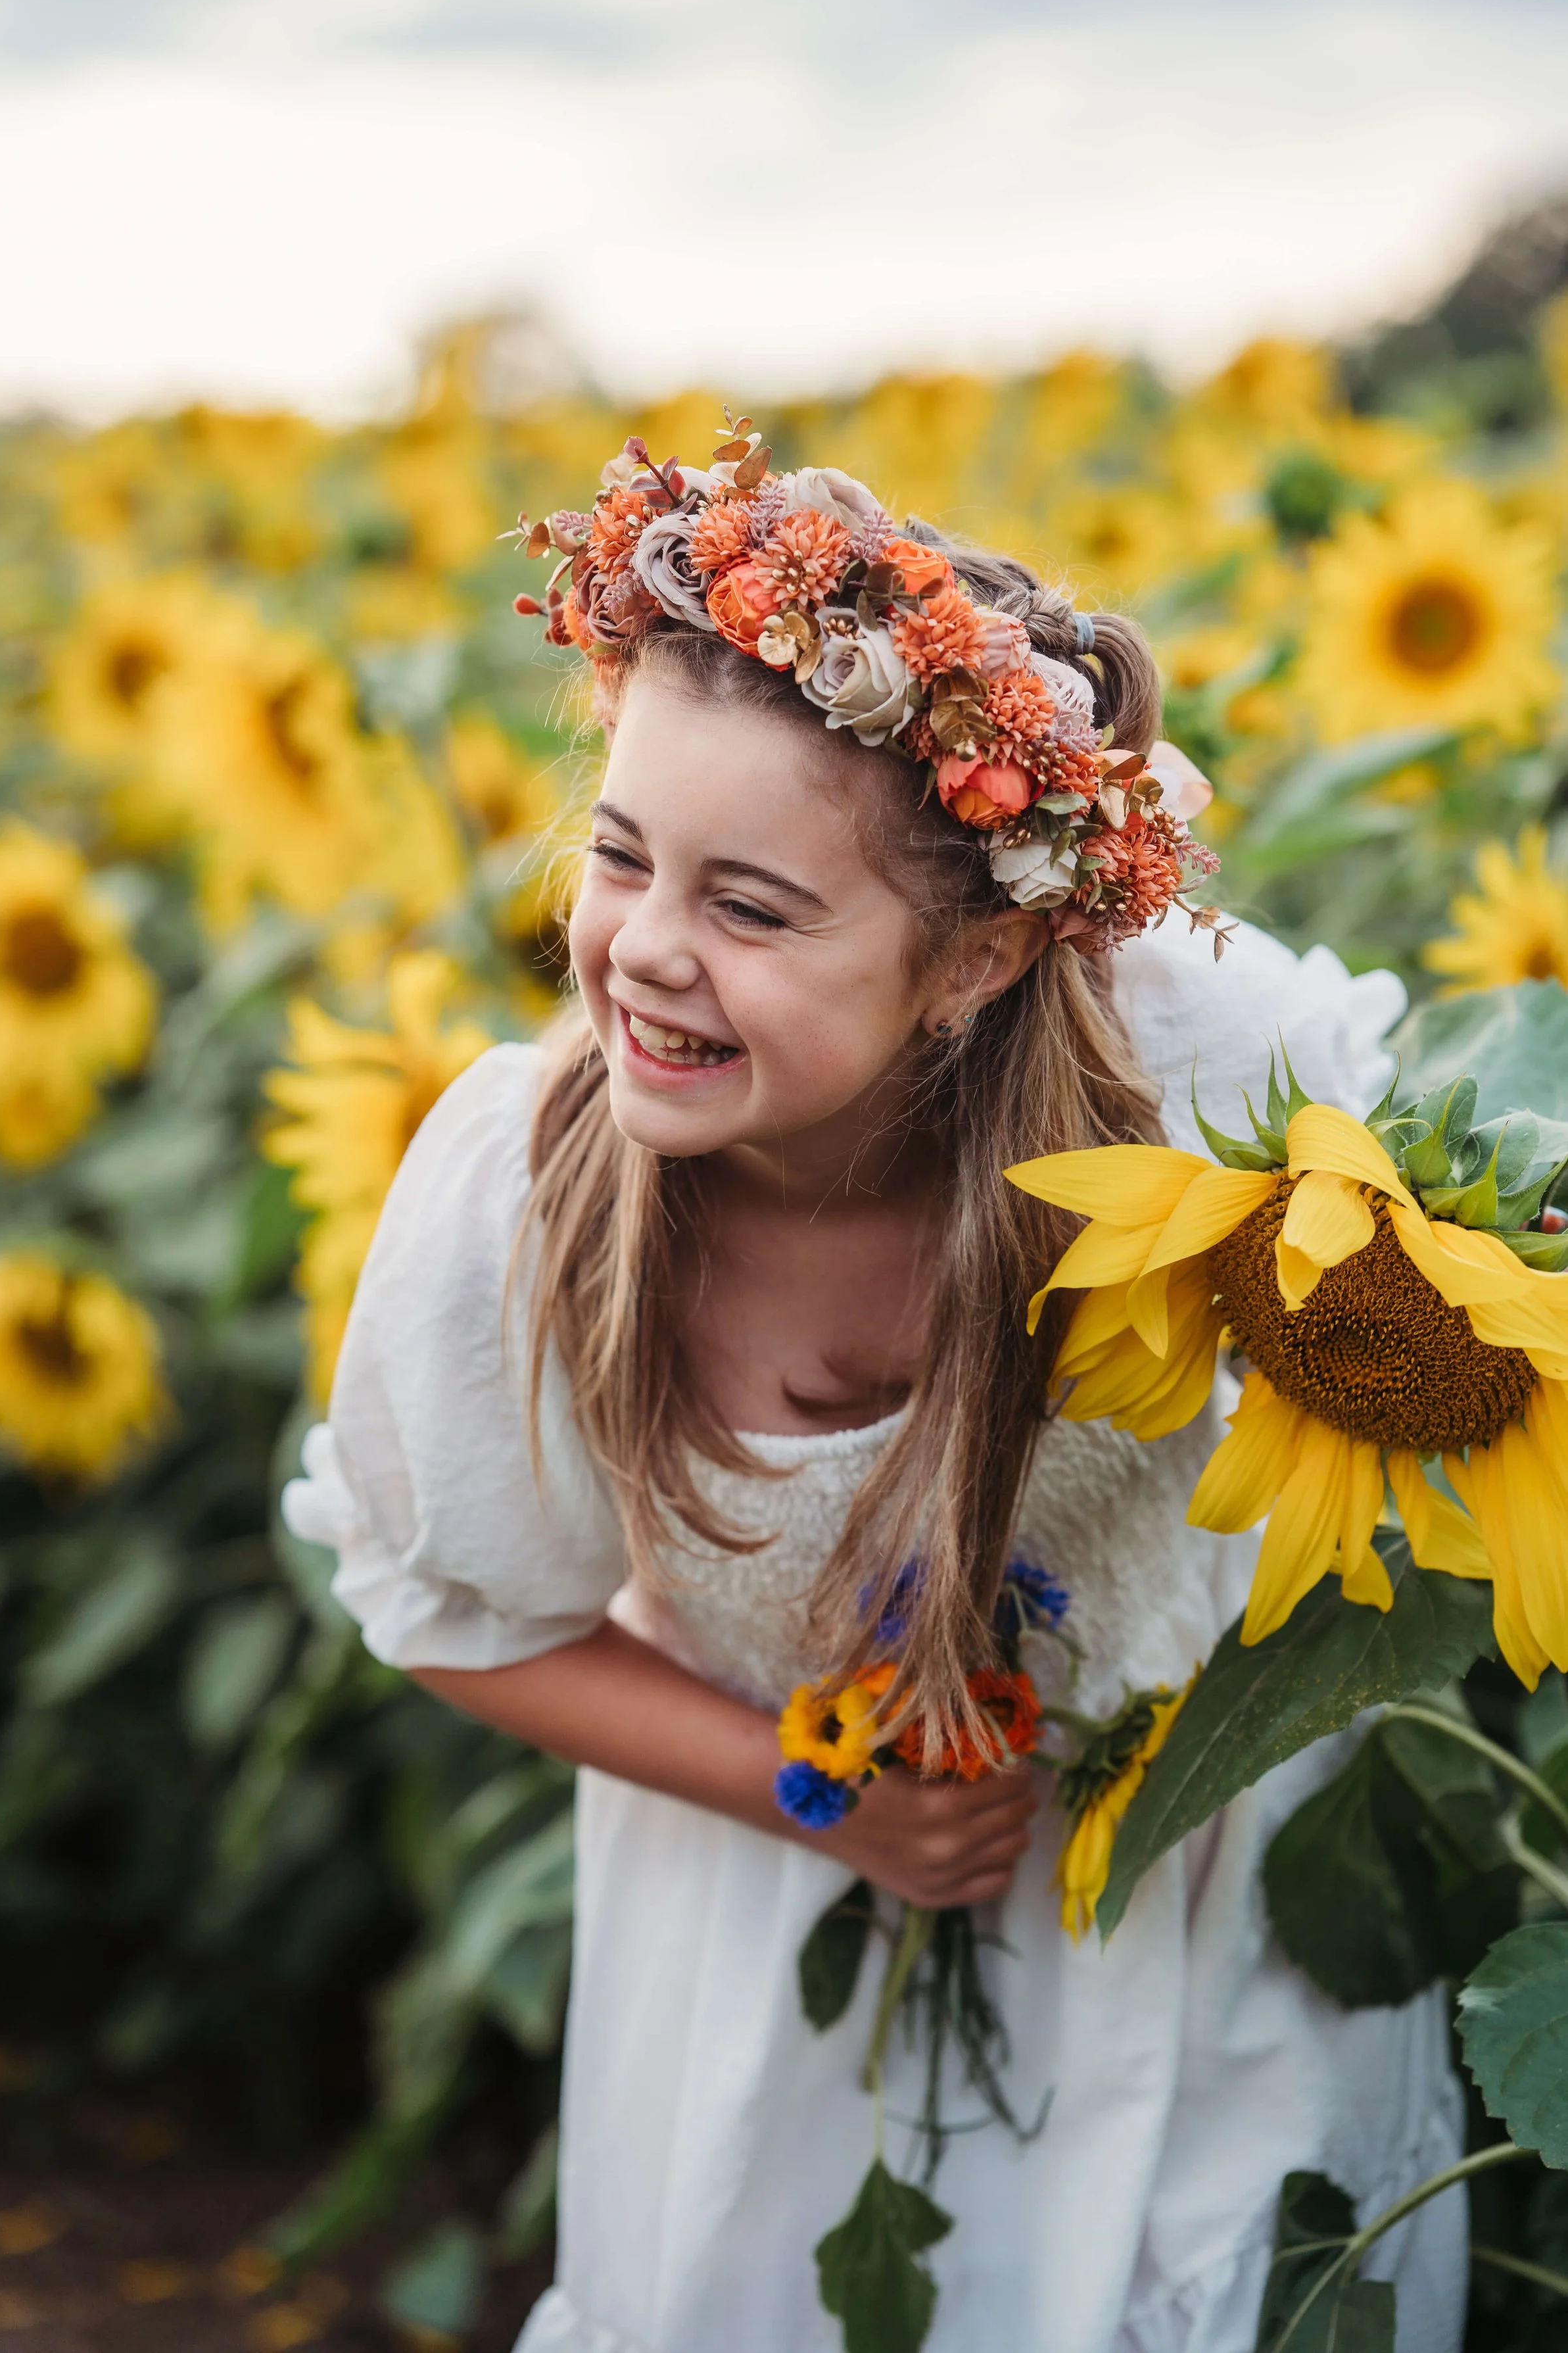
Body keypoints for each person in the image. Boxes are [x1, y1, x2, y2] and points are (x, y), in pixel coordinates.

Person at [285, 438, 1465, 2353]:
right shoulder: (528, 1193)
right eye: (617, 851)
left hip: (1191, 1884)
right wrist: (820, 1802)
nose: (646, 945)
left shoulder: (1195, 1073)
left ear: (977, 957)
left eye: (750, 908)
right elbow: (442, 1609)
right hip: (778, 1907)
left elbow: (1447, 1277)